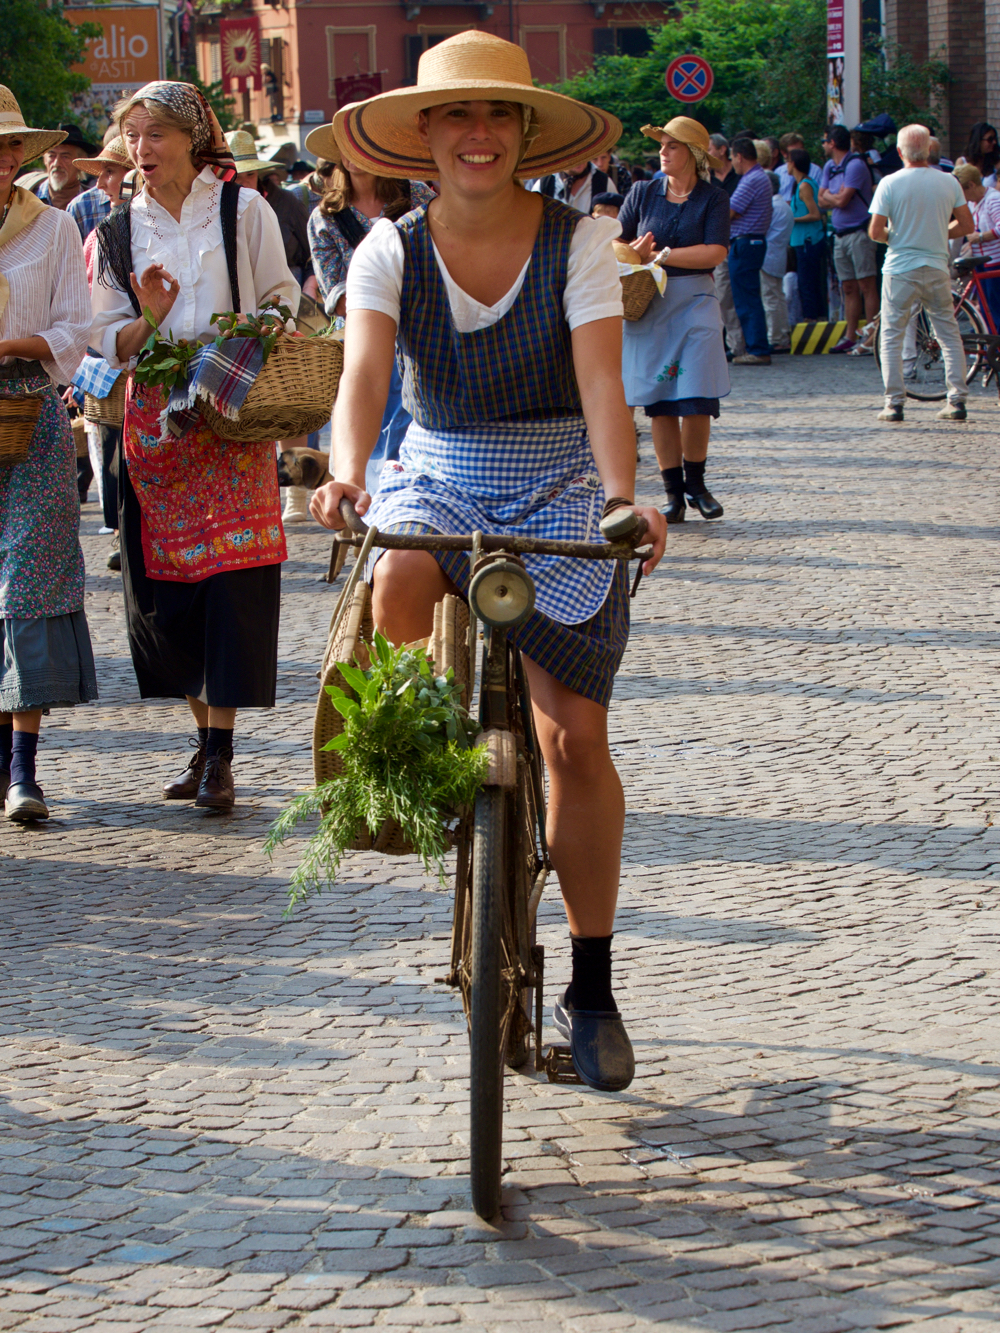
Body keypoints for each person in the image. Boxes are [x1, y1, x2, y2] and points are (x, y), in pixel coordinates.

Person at [311, 31, 666, 1092]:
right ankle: (433, 756)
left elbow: (602, 386)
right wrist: (344, 474)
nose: (479, 134)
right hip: (442, 469)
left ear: (525, 132)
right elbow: (364, 381)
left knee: (575, 740)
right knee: (396, 575)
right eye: (457, 115)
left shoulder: (580, 241)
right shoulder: (387, 250)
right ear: (423, 136)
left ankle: (592, 986)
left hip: (562, 474)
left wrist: (620, 497)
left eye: (498, 114)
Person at [91, 80, 300, 811]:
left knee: (232, 588)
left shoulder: (243, 210)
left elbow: (282, 296)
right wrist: (150, 314)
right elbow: (107, 340)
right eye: (132, 136)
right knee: (169, 591)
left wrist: (245, 336)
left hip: (231, 414)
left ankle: (220, 755)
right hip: (157, 425)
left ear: (191, 138)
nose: (141, 149)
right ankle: (204, 742)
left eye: (155, 134)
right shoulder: (116, 231)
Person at [0, 90, 96, 822]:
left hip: (30, 414)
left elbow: (74, 330)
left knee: (28, 584)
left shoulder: (55, 227)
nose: (2, 157)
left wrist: (9, 344)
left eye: (10, 145)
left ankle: (23, 770)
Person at [304, 126, 434, 504]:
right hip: (364, 334)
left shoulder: (417, 196)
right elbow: (334, 291)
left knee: (414, 421)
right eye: (345, 148)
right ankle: (368, 498)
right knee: (370, 422)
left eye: (361, 147)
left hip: (422, 328)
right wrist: (379, 315)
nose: (353, 156)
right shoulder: (326, 217)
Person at [618, 118, 730, 524]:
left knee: (698, 396)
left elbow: (715, 252)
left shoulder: (713, 198)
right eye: (662, 145)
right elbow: (616, 239)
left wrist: (661, 255)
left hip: (696, 301)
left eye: (672, 146)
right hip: (650, 302)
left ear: (694, 154)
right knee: (660, 402)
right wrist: (631, 252)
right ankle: (672, 494)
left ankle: (696, 484)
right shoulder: (642, 192)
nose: (662, 152)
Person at [868, 123, 973, 423]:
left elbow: (875, 231)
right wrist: (938, 233)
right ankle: (956, 399)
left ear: (900, 152)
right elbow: (967, 225)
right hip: (937, 265)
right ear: (929, 150)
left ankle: (894, 403)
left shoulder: (889, 183)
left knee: (892, 335)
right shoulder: (949, 182)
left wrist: (895, 237)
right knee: (948, 333)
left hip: (900, 268)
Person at [71, 131, 131, 569]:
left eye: (110, 172)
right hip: (103, 358)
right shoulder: (99, 232)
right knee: (110, 450)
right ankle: (121, 531)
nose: (102, 182)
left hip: (138, 356)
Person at [819, 124, 878, 353]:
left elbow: (841, 201)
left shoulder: (855, 165)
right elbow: (820, 199)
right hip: (840, 234)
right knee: (849, 287)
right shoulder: (830, 167)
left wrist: (831, 197)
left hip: (859, 232)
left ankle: (871, 337)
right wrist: (835, 197)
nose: (823, 145)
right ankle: (850, 335)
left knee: (866, 284)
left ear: (832, 143)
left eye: (824, 141)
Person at [727, 135, 772, 365]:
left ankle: (757, 348)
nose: (731, 162)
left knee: (746, 298)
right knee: (749, 296)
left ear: (739, 156)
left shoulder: (751, 179)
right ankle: (754, 345)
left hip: (745, 243)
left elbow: (730, 211)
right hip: (751, 243)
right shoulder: (758, 177)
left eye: (732, 157)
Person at [953, 163, 1000, 332]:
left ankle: (994, 339)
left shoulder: (993, 199)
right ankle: (987, 337)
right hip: (981, 260)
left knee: (995, 305)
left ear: (971, 185)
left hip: (995, 261)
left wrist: (981, 237)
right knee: (985, 304)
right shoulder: (973, 203)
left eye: (962, 192)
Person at [788, 147, 827, 320]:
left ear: (794, 164)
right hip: (801, 240)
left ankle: (811, 318)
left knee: (807, 282)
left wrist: (793, 219)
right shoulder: (800, 185)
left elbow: (815, 214)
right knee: (807, 281)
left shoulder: (804, 186)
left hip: (808, 240)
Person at [27, 124, 95, 210]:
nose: (57, 163)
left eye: (65, 157)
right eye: (51, 156)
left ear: (81, 162)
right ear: (45, 160)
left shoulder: (93, 203)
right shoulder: (27, 198)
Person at [761, 171, 793, 352]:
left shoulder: (772, 207)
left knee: (771, 299)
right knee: (777, 297)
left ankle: (775, 337)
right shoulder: (784, 206)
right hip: (778, 256)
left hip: (768, 257)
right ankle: (782, 334)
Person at [532, 157, 610, 212]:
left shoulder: (603, 181)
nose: (580, 159)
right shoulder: (545, 183)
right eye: (574, 155)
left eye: (583, 153)